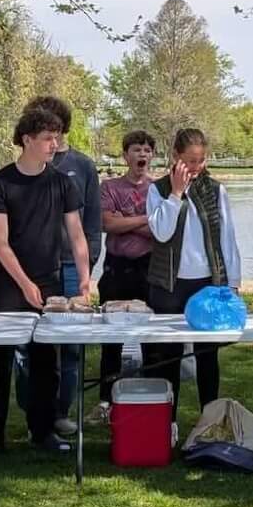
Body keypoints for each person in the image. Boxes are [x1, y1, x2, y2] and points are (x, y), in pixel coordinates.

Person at [0, 104, 90, 451]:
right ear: (26, 140)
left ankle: (43, 431)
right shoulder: (0, 183)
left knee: (47, 361)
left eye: (57, 137)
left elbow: (76, 235)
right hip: (8, 284)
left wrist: (86, 280)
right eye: (47, 138)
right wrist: (25, 284)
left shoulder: (62, 183)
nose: (54, 144)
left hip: (51, 281)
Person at [145, 127, 243, 418]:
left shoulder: (216, 190)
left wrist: (232, 283)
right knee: (167, 358)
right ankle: (167, 422)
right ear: (176, 156)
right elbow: (161, 233)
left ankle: (210, 420)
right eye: (190, 160)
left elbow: (228, 238)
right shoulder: (157, 190)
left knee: (207, 356)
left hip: (206, 284)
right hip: (169, 284)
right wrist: (176, 194)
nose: (196, 167)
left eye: (200, 160)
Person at [26, 96, 102, 434]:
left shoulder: (82, 166)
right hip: (34, 268)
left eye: (55, 128)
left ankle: (61, 411)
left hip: (72, 266)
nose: (51, 138)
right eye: (43, 130)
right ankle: (33, 412)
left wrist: (89, 268)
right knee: (30, 342)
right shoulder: (26, 166)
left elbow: (92, 222)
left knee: (71, 345)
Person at [94, 130, 158, 414]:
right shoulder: (109, 187)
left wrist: (127, 220)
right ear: (125, 155)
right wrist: (146, 219)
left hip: (149, 268)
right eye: (136, 150)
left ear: (152, 155)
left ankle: (150, 397)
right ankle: (105, 400)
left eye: (146, 150)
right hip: (116, 269)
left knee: (151, 339)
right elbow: (107, 223)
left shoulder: (159, 189)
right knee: (111, 339)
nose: (141, 155)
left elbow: (162, 232)